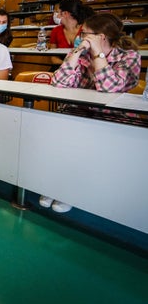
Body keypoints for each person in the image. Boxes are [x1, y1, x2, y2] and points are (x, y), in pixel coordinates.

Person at [44, 13, 141, 213]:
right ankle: (55, 186)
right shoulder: (82, 54)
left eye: (85, 33)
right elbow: (58, 82)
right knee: (53, 132)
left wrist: (98, 55)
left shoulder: (128, 56)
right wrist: (77, 53)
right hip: (78, 111)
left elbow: (109, 87)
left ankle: (71, 191)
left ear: (101, 37)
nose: (80, 36)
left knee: (84, 142)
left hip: (113, 117)